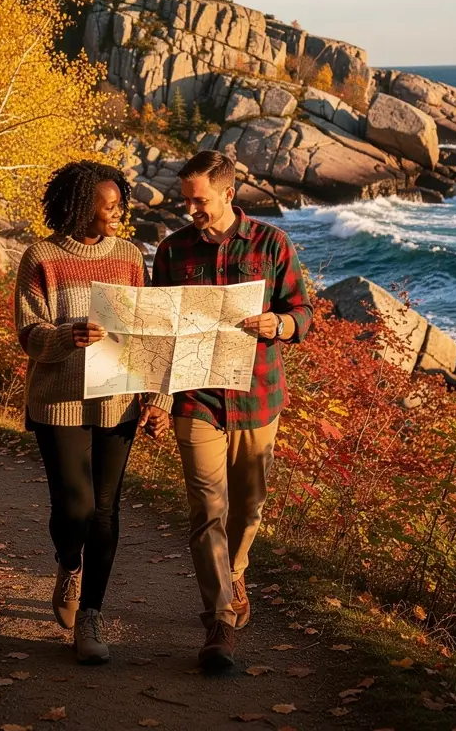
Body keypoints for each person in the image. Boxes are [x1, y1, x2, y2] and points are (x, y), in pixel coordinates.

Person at [153, 150, 311, 672]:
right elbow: (158, 329)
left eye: (199, 200)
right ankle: (219, 619)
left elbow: (301, 310)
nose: (191, 209)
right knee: (205, 510)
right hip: (195, 398)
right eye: (186, 200)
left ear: (228, 193)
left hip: (257, 398)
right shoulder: (173, 251)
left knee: (248, 508)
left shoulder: (271, 243)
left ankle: (237, 569)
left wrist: (280, 326)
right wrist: (155, 395)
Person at [14, 160, 171, 664]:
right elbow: (28, 333)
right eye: (110, 206)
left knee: (105, 512)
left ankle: (91, 617)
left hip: (118, 399)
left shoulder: (127, 256)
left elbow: (144, 330)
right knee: (73, 510)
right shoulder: (41, 256)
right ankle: (68, 563)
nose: (119, 214)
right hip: (58, 400)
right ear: (81, 206)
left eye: (121, 205)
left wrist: (156, 397)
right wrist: (67, 335)